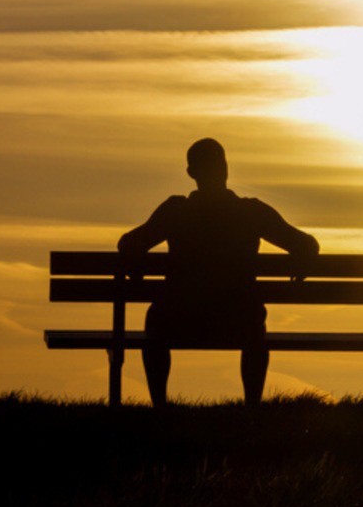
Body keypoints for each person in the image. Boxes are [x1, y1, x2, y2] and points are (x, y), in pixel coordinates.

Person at [117, 138, 319, 408]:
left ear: (191, 173)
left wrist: (136, 269)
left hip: (180, 319)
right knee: (255, 329)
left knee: (155, 323)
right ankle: (252, 409)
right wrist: (301, 263)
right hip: (239, 319)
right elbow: (306, 244)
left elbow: (129, 244)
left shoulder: (175, 212)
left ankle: (160, 408)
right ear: (225, 168)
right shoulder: (252, 212)